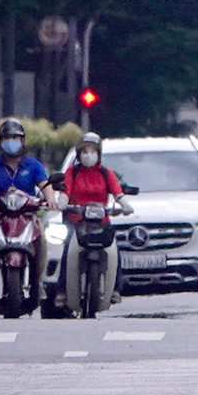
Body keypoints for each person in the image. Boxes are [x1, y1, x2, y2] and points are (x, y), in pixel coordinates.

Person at [0, 117, 55, 305]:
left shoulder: (33, 165)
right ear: (0, 142)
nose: (12, 142)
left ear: (23, 141)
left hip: (27, 217)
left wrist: (51, 199)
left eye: (16, 138)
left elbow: (45, 184)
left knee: (41, 238)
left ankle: (38, 281)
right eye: (7, 138)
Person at [55, 132, 128, 312]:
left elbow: (117, 191)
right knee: (68, 248)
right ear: (79, 154)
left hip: (101, 221)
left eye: (93, 151)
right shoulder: (72, 172)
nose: (89, 155)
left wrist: (124, 204)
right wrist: (61, 203)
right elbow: (65, 191)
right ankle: (62, 290)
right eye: (85, 151)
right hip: (77, 221)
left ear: (99, 153)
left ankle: (116, 288)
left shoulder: (106, 173)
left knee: (114, 249)